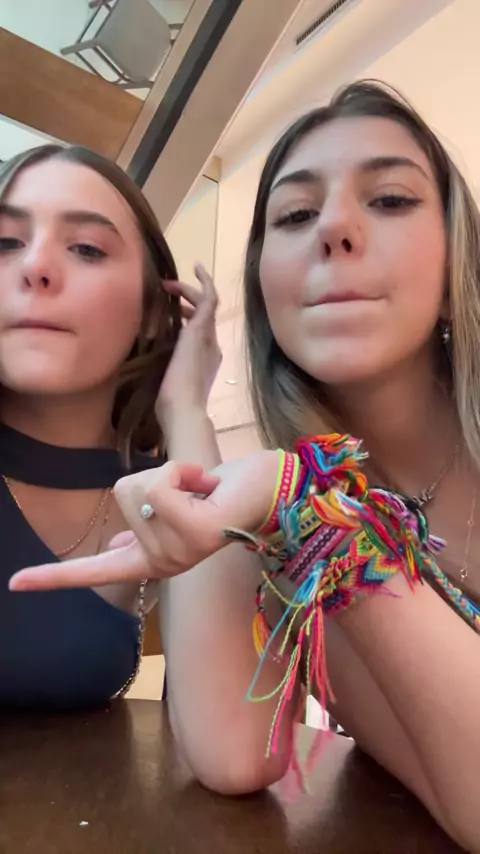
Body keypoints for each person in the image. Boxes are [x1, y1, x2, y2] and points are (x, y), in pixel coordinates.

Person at [11, 81, 480, 850]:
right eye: (294, 215)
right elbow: (237, 752)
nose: (335, 227)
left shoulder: (291, 502)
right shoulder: (291, 508)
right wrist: (286, 489)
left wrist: (276, 485)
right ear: (264, 289)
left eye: (391, 199)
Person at [0, 142, 225, 711]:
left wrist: (187, 411)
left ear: (151, 313)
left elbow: (225, 731)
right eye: (5, 243)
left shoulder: (162, 492)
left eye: (86, 248)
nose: (35, 266)